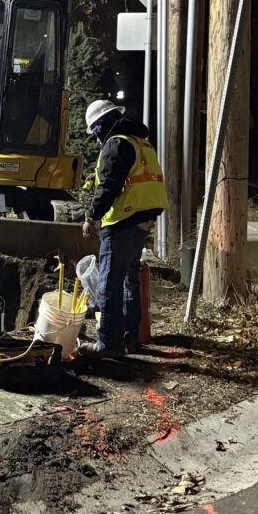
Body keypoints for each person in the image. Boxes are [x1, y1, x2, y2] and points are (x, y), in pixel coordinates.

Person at [79, 99, 167, 357]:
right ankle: (130, 338)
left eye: (94, 130)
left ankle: (108, 344)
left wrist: (91, 215)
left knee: (109, 284)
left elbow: (109, 187)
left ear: (100, 125)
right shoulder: (141, 143)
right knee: (129, 279)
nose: (95, 138)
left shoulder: (115, 143)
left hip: (123, 221)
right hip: (143, 218)